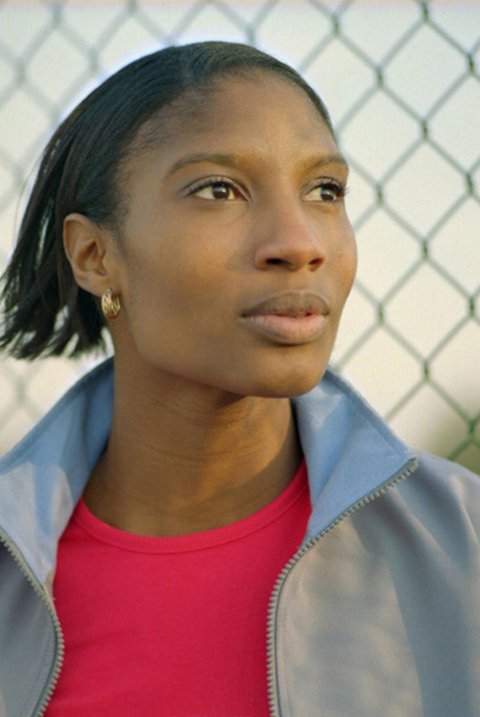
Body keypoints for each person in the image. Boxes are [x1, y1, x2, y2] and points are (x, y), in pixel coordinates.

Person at [0, 41, 478, 717]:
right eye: (218, 190)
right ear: (95, 255)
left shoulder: (463, 546)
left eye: (325, 191)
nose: (299, 241)